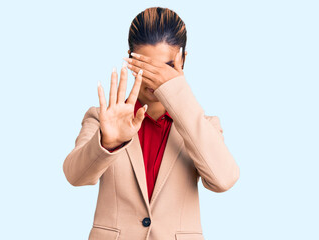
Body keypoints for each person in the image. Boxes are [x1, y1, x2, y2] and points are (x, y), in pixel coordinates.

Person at [62, 7, 240, 240]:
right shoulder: (102, 117)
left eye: (166, 67)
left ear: (183, 60)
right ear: (130, 58)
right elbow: (75, 176)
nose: (154, 79)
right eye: (145, 67)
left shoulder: (203, 126)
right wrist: (107, 143)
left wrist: (178, 94)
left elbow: (224, 180)